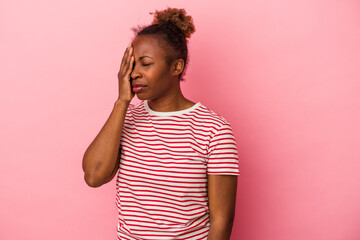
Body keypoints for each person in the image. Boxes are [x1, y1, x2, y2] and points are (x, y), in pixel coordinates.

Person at [82, 7, 239, 240]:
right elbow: (93, 176)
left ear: (176, 67)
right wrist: (122, 102)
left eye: (145, 64)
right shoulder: (125, 119)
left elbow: (221, 221)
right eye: (131, 64)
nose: (134, 73)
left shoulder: (214, 130)